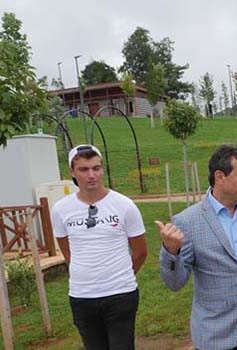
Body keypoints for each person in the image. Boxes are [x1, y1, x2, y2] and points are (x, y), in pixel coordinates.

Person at [158, 145, 237, 350]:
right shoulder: (187, 222)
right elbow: (175, 283)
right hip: (217, 336)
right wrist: (171, 252)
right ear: (220, 176)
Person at [51, 144, 147, 350]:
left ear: (102, 169)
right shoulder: (60, 209)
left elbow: (140, 251)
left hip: (120, 294)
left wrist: (121, 276)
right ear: (72, 172)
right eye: (84, 170)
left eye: (96, 168)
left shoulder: (124, 205)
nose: (91, 175)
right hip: (81, 296)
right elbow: (67, 250)